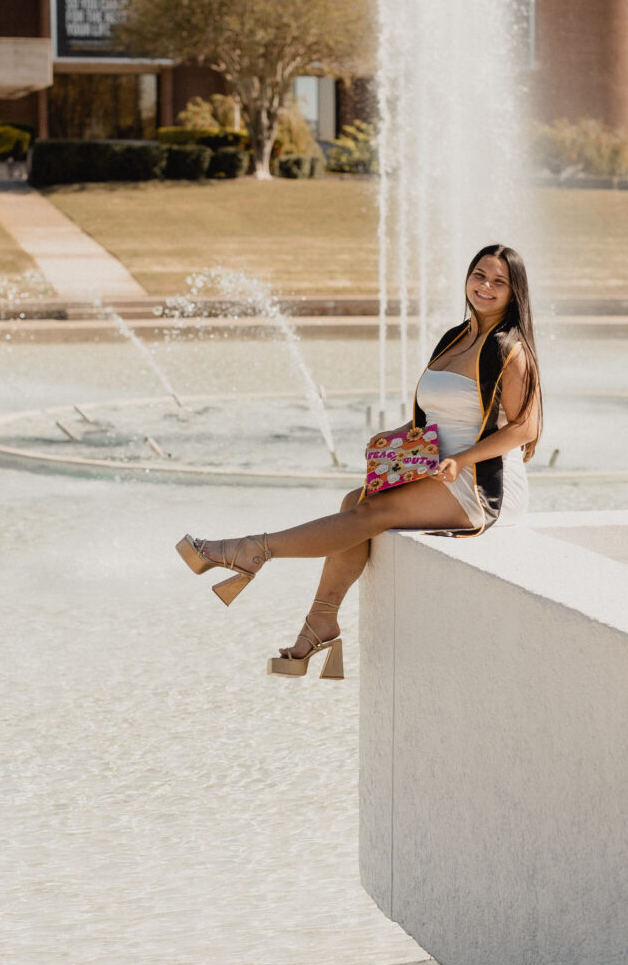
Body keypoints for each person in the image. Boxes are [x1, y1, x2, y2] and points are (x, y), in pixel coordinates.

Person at [176, 243, 543, 679]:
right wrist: (400, 432)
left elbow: (525, 429)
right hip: (443, 469)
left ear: (514, 292)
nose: (485, 286)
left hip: (485, 483)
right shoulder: (455, 336)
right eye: (479, 275)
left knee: (372, 510)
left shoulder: (510, 349)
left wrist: (463, 459)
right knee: (356, 499)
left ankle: (252, 549)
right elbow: (447, 408)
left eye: (499, 281)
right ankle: (321, 621)